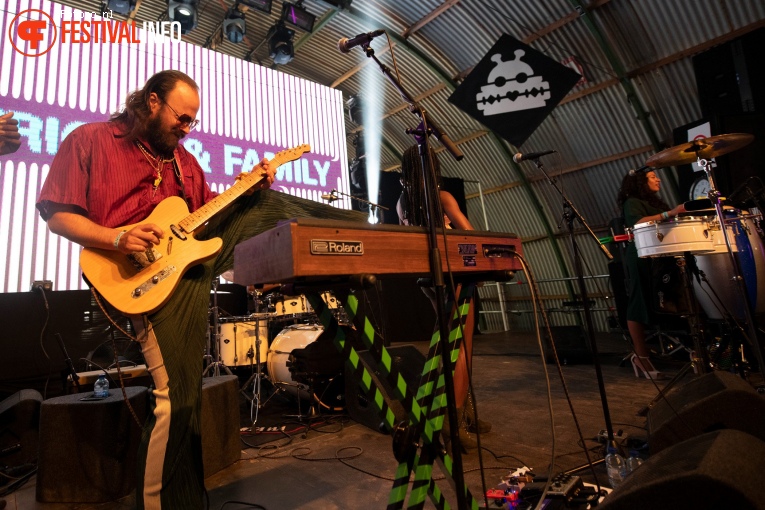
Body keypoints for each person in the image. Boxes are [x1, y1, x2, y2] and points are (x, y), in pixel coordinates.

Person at [36, 70, 363, 509]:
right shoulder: (91, 139)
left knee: (260, 205)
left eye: (192, 122)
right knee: (177, 401)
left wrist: (245, 188)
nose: (187, 128)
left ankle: (360, 236)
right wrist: (117, 238)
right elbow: (57, 214)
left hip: (187, 273)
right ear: (152, 101)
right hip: (134, 278)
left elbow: (206, 224)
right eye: (182, 118)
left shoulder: (184, 163)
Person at [396, 144, 489, 450]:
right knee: (462, 345)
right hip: (455, 275)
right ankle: (455, 419)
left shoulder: (402, 203)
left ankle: (468, 414)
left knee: (452, 341)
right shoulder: (442, 197)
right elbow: (471, 235)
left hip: (426, 278)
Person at [617, 167, 685, 379]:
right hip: (641, 255)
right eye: (653, 177)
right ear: (640, 182)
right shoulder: (632, 202)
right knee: (639, 301)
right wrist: (670, 213)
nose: (658, 180)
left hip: (660, 255)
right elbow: (636, 223)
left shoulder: (655, 202)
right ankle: (641, 356)